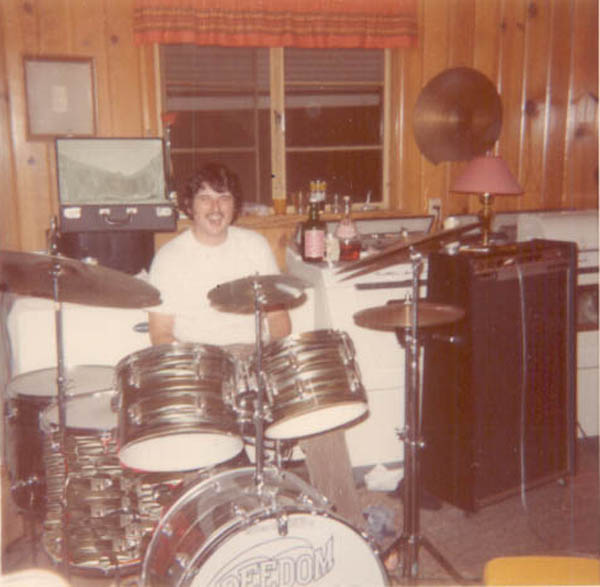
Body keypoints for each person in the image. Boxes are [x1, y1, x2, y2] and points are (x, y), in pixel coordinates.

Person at [148, 163, 291, 349]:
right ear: (189, 206)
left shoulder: (255, 245)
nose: (215, 208)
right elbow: (160, 333)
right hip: (197, 357)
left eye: (224, 198)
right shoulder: (169, 257)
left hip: (253, 354)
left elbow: (278, 317)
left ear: (234, 206)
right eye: (205, 199)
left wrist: (273, 354)